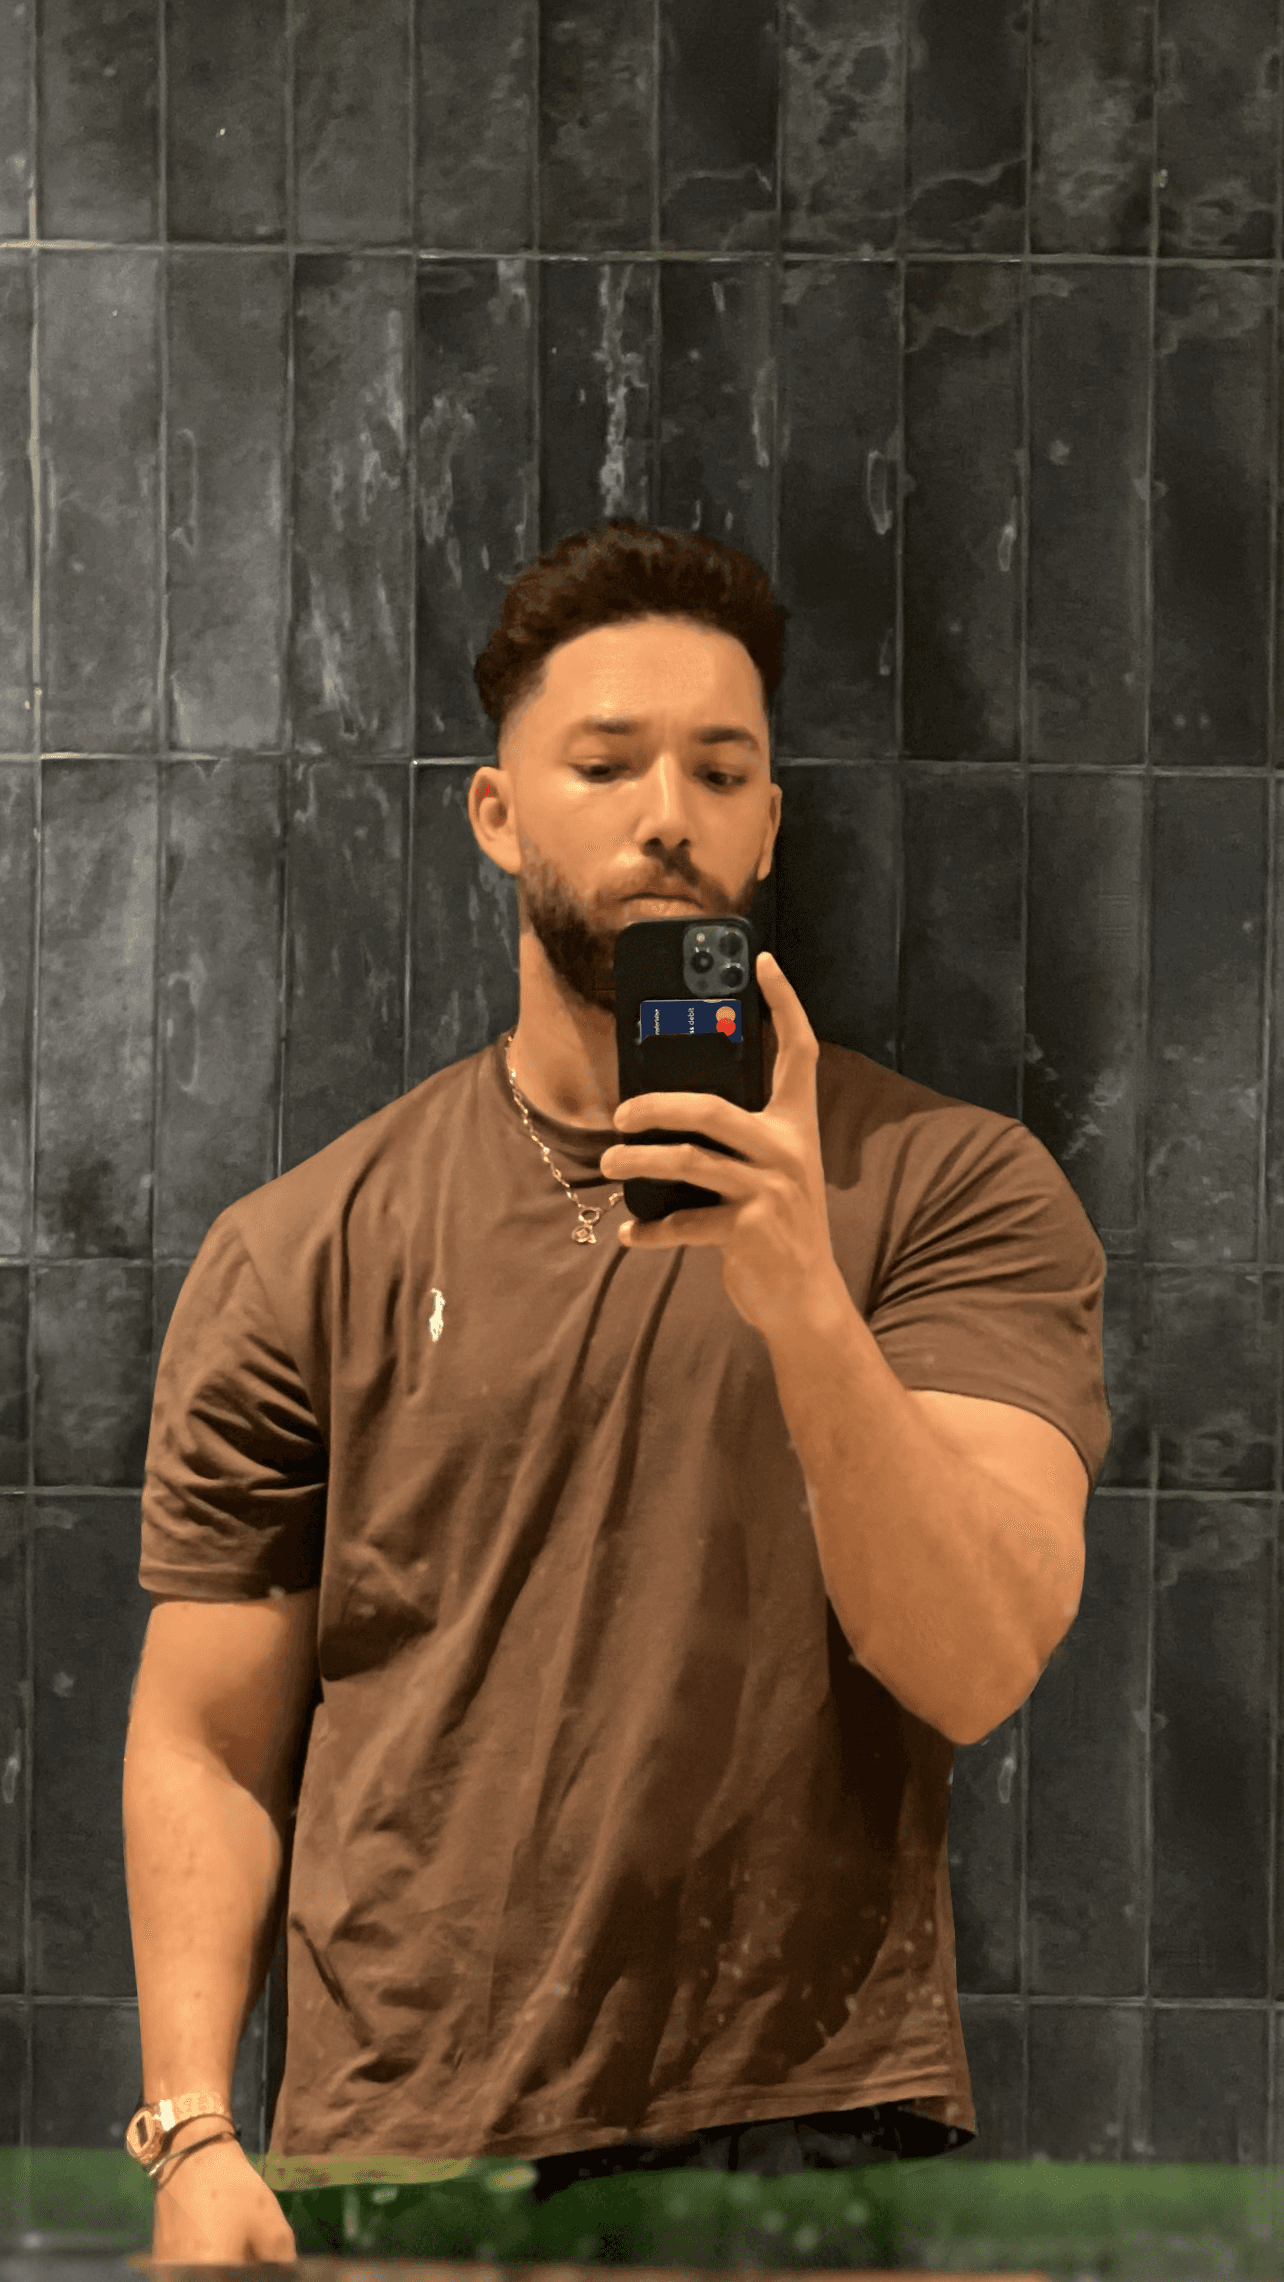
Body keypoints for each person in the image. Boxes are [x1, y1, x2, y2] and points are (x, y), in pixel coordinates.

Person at [124, 519, 1110, 2258]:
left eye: (721, 768)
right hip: (400, 2146)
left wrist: (801, 1287)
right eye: (607, 761)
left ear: (771, 821)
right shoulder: (304, 1244)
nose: (670, 808)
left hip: (794, 2134)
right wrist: (195, 2127)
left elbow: (973, 1657)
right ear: (499, 813)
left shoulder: (954, 1190)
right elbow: (206, 1732)